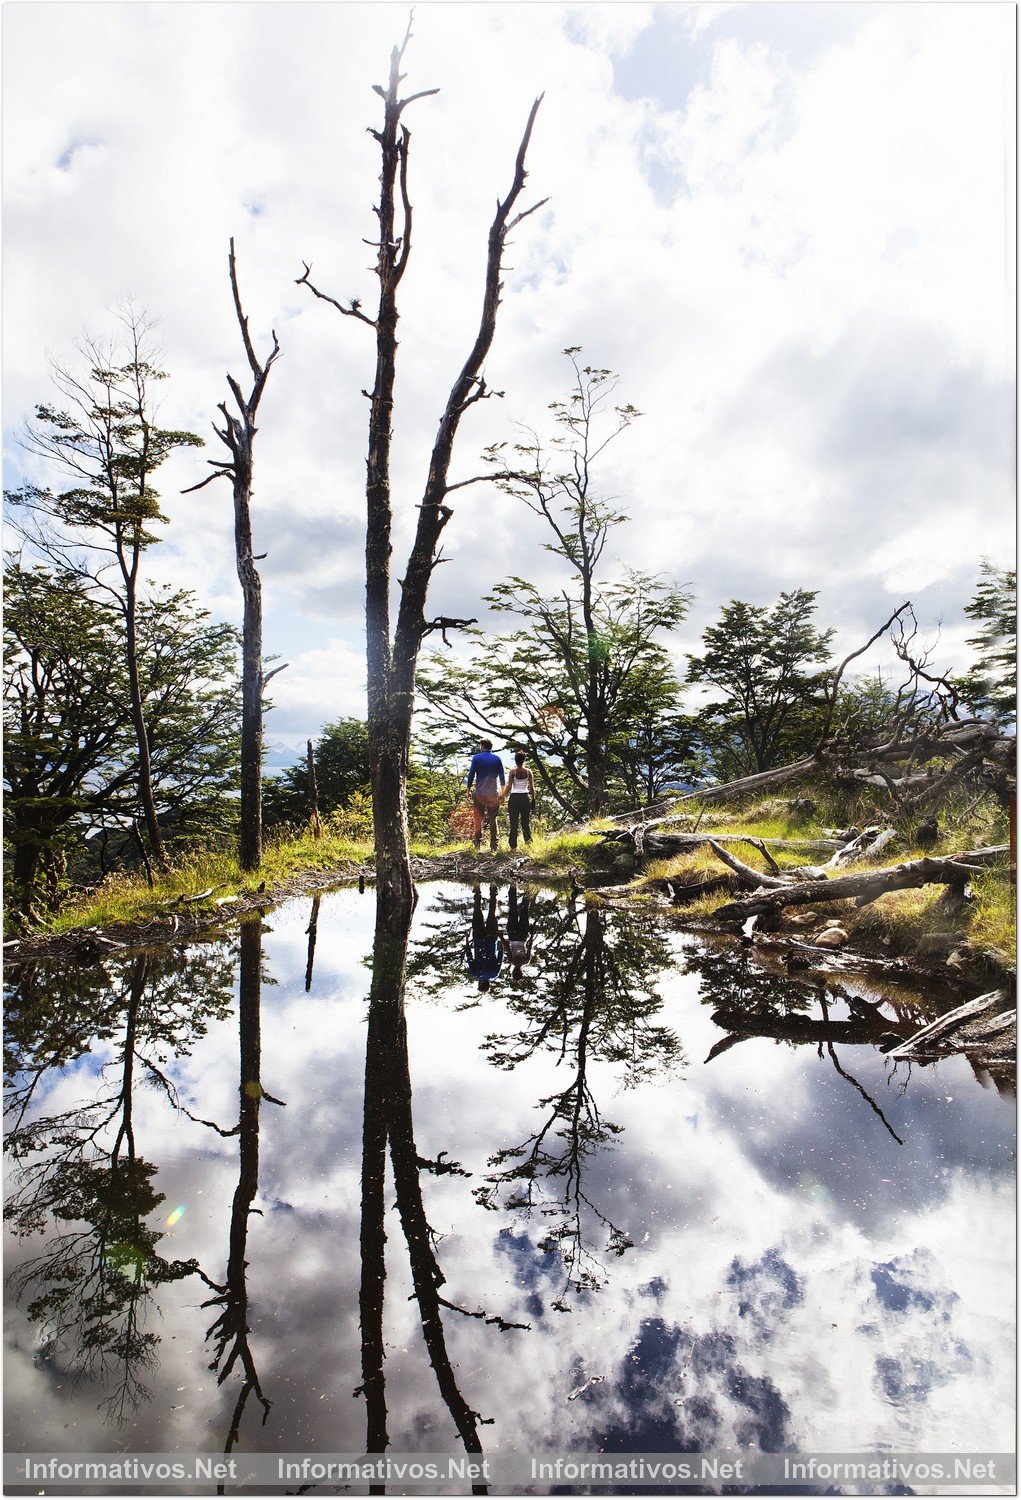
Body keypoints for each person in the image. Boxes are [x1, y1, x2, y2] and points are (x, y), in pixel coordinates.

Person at [465, 738, 505, 852]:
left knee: (478, 818)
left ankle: (477, 844)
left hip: (479, 794)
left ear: (482, 746)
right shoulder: (497, 759)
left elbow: (471, 774)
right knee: (493, 819)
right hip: (493, 793)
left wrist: (468, 790)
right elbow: (502, 777)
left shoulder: (476, 758)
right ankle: (494, 846)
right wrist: (503, 793)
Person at [464, 884, 502, 992]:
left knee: (492, 914)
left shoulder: (494, 974)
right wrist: (467, 938)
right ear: (480, 983)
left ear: (489, 984)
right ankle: (477, 891)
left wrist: (501, 941)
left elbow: (500, 956)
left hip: (491, 939)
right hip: (479, 939)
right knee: (477, 913)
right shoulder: (475, 973)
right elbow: (469, 956)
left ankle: (493, 891)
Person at [500, 884, 534, 985]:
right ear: (514, 972)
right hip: (513, 936)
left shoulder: (526, 961)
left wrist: (531, 936)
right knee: (513, 911)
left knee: (524, 912)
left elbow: (529, 947)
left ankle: (529, 889)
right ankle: (513, 887)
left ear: (521, 972)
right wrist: (501, 937)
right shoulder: (512, 961)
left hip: (523, 936)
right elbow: (507, 947)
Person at [502, 750, 535, 850]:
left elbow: (509, 786)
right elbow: (532, 787)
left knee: (514, 823)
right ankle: (528, 845)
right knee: (525, 823)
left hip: (514, 798)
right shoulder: (529, 772)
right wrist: (533, 799)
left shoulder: (513, 772)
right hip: (525, 798)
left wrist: (502, 796)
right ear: (524, 760)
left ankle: (513, 847)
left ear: (515, 760)